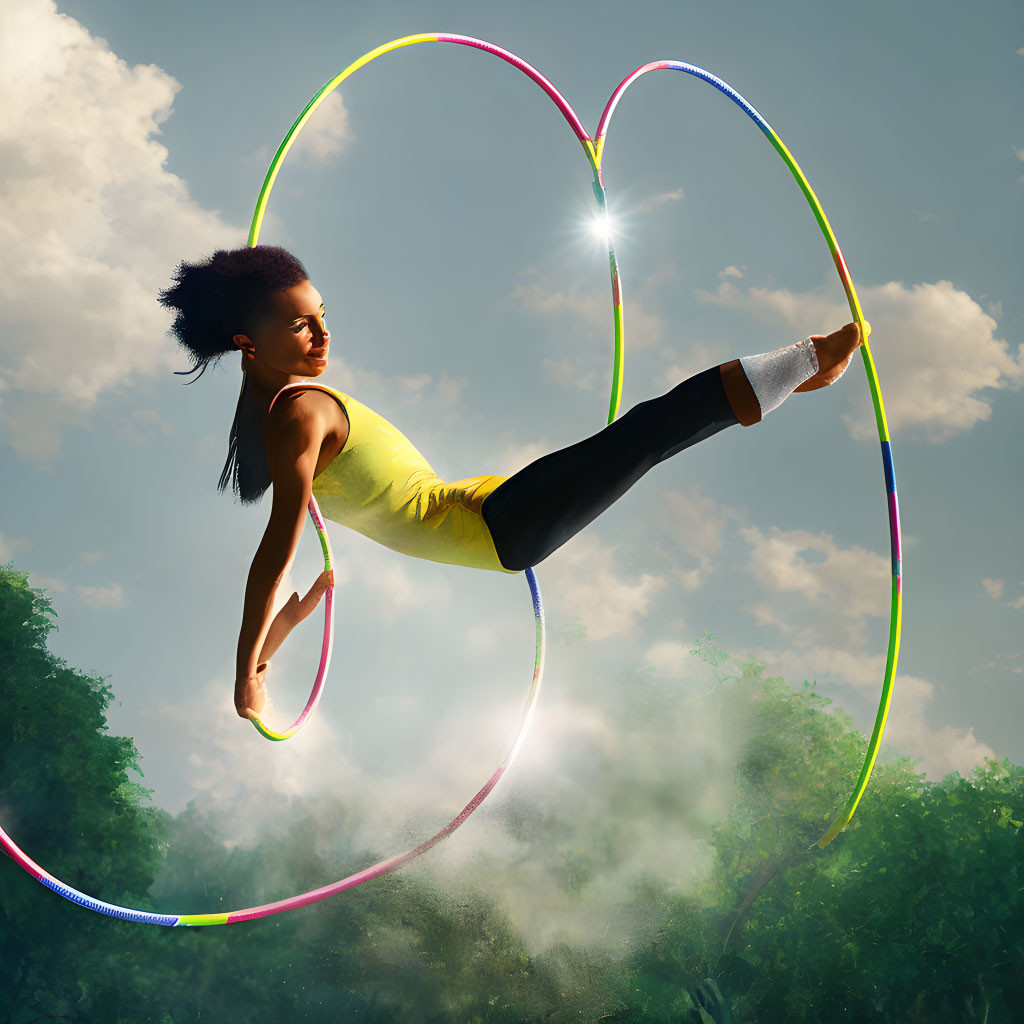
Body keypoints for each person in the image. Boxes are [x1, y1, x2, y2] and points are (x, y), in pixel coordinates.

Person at [159, 246, 864, 721]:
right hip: (501, 526)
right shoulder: (297, 421)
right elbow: (274, 554)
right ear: (248, 342)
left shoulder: (281, 412)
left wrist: (270, 645)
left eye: (322, 318)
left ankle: (803, 371)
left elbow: (288, 565)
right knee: (648, 434)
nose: (322, 336)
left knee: (644, 437)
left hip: (487, 504)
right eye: (299, 325)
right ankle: (807, 363)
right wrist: (249, 667)